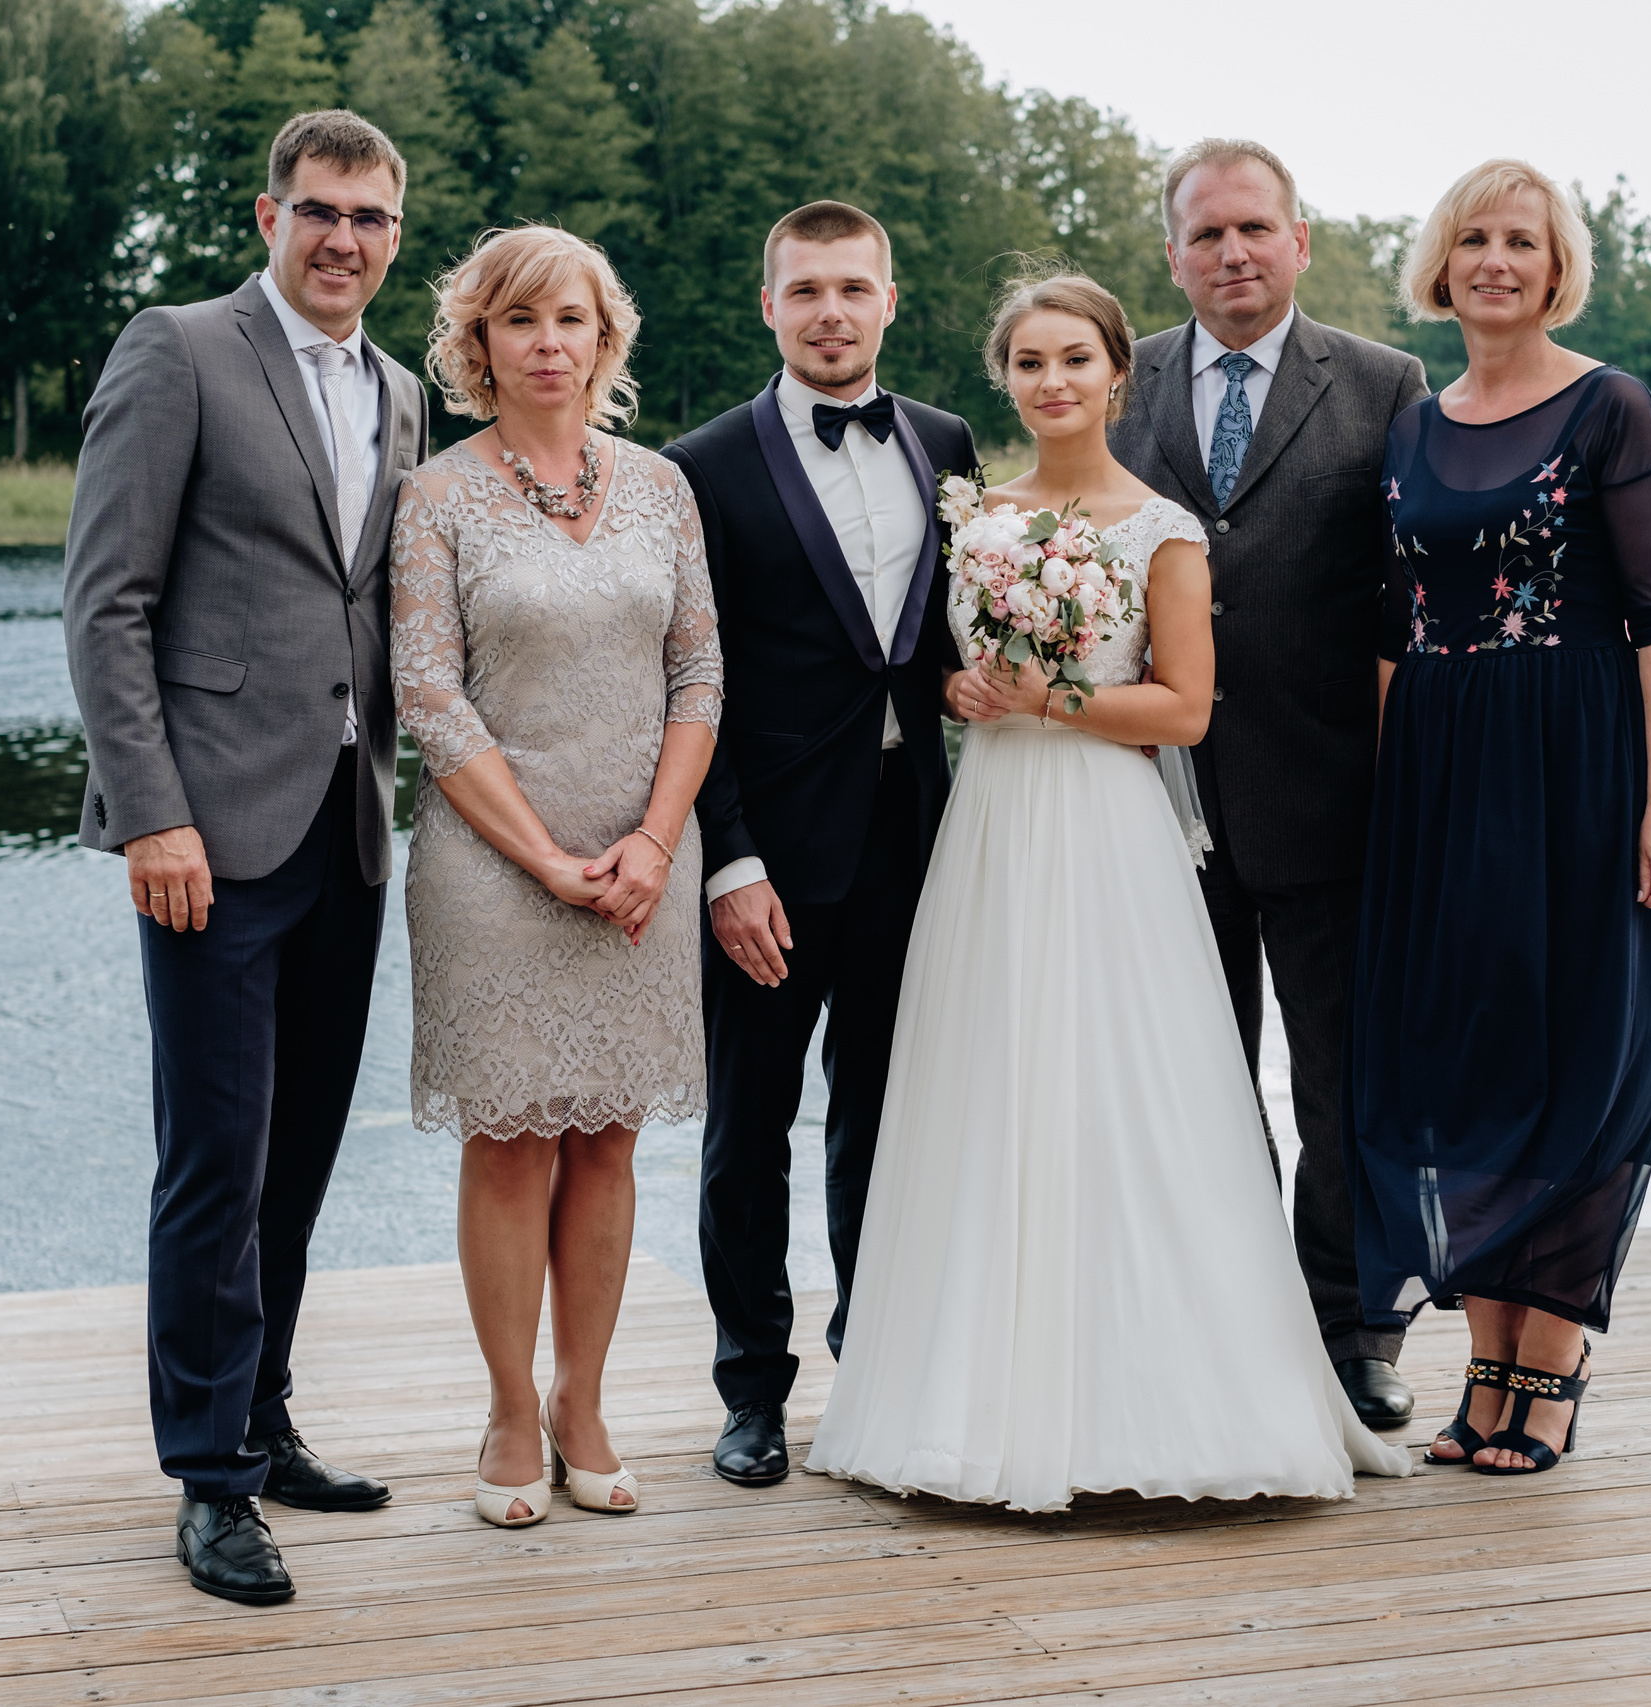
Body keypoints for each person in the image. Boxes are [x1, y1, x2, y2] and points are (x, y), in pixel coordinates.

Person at [806, 273, 1410, 1510]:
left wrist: (1047, 697)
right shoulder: (972, 516)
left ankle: (1164, 1392)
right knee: (989, 1082)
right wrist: (960, 693)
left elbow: (1184, 705)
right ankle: (965, 1393)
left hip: (1108, 827)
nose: (1052, 383)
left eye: (1074, 360)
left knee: (1129, 1083)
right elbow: (930, 663)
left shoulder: (1161, 528)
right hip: (990, 828)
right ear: (1006, 378)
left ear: (1118, 376)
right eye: (1029, 363)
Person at [62, 111, 427, 1604]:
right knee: (215, 1158)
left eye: (371, 218)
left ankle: (265, 1421)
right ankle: (209, 1480)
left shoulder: (401, 391)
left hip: (348, 826)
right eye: (320, 210)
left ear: (395, 236)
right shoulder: (180, 348)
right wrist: (152, 813)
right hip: (207, 833)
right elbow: (106, 604)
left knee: (301, 1152)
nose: (344, 238)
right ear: (266, 214)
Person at [1351, 159, 1651, 1474]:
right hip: (1441, 768)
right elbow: (1392, 626)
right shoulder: (1413, 421)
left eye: (1523, 241)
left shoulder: (1614, 407)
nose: (1497, 260)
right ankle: (1484, 1369)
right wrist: (1392, 800)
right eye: (1475, 239)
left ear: (1558, 268)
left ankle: (1548, 1374)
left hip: (1576, 761)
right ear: (1441, 264)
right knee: (1461, 1060)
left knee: (1574, 1049)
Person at [391, 224, 722, 1528]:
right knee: (513, 1139)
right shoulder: (436, 497)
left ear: (605, 336)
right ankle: (511, 1409)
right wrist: (543, 855)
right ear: (480, 343)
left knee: (610, 1136)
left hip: (645, 854)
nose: (547, 342)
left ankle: (587, 1399)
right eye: (518, 320)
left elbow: (699, 675)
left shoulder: (661, 488)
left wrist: (649, 844)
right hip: (492, 864)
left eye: (569, 318)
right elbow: (429, 693)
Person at [1105, 138, 1431, 1430]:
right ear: (1172, 253)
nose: (1232, 253)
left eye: (1255, 229)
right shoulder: (1117, 384)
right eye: (1205, 235)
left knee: (1342, 1085)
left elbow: (1411, 602)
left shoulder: (1385, 381)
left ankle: (1351, 1330)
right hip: (1156, 801)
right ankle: (1220, 1317)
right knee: (1195, 1073)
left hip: (1333, 794)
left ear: (1300, 239)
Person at [663, 202, 977, 1490]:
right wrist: (726, 859)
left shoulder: (948, 443)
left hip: (916, 839)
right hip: (767, 864)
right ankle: (751, 1388)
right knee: (748, 1129)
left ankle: (877, 1364)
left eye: (853, 288)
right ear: (769, 307)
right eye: (806, 292)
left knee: (888, 1118)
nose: (831, 313)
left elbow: (948, 639)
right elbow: (688, 681)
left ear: (888, 300)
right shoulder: (702, 465)